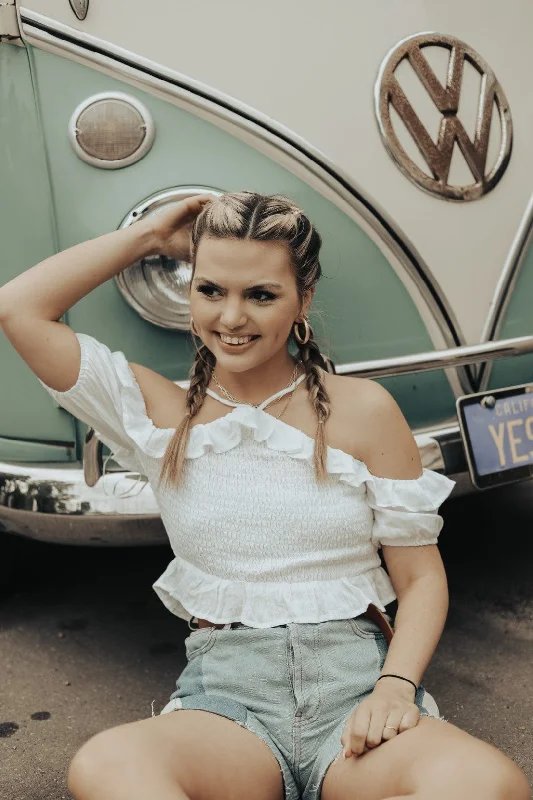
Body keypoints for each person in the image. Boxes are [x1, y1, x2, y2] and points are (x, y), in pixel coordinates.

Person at [0, 192, 529, 800]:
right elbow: (20, 309)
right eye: (210, 290)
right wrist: (146, 239)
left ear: (303, 299)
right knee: (106, 767)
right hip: (228, 703)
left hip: (355, 687)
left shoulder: (364, 411)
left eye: (261, 294)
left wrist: (395, 687)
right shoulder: (156, 414)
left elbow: (419, 579)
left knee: (489, 785)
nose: (231, 317)